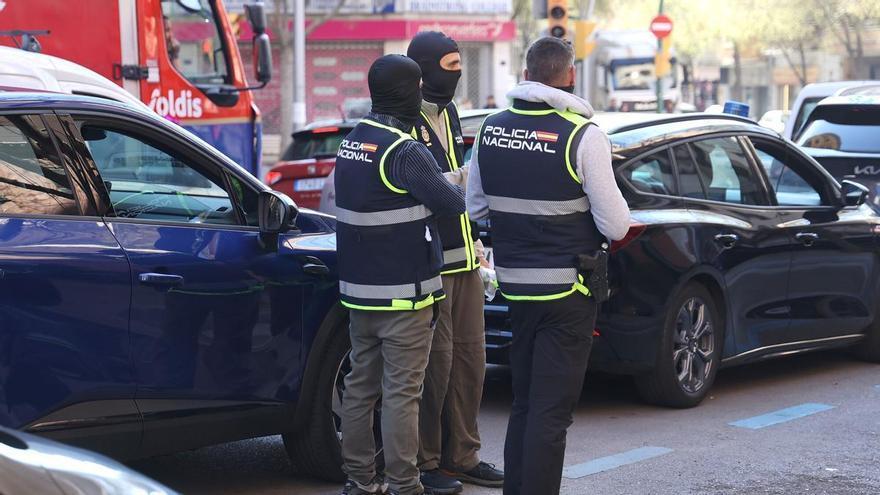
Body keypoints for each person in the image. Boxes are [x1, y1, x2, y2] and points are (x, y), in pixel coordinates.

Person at [467, 37, 631, 495]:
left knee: (525, 402)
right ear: (571, 76)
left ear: (525, 75)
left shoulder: (490, 130)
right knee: (551, 411)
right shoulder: (583, 135)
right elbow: (616, 226)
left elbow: (475, 208)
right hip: (568, 294)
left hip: (516, 289)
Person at [335, 54, 466, 495]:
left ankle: (358, 480)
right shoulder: (405, 150)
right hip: (405, 298)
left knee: (359, 389)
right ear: (409, 93)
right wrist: (458, 178)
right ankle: (404, 484)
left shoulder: (352, 141)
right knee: (401, 394)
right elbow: (452, 204)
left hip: (359, 294)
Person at [406, 31, 504, 494]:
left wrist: (479, 246)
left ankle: (463, 455)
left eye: (460, 63)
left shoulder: (450, 113)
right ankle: (426, 462)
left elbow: (458, 193)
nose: (457, 72)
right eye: (449, 64)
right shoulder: (404, 121)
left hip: (465, 260)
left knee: (471, 363)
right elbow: (426, 188)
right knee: (435, 369)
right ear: (422, 68)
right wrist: (461, 179)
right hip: (429, 267)